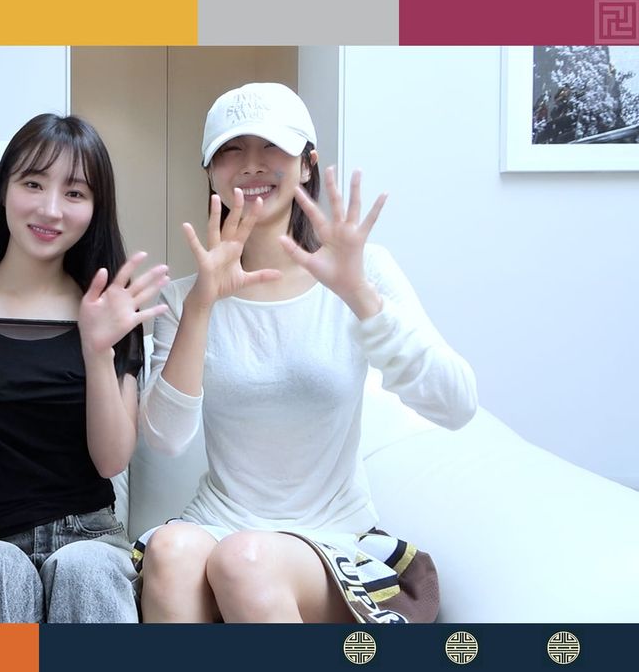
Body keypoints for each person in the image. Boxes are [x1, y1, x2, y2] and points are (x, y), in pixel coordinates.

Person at [134, 83, 477, 623]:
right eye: (230, 150)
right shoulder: (183, 297)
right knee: (173, 550)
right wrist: (202, 303)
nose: (251, 166)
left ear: (308, 165)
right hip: (220, 520)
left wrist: (360, 296)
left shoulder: (360, 270)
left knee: (244, 559)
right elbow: (165, 440)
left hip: (333, 535)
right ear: (210, 174)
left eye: (271, 148)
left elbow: (457, 404)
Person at [0, 113, 170, 623]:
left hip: (92, 538)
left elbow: (110, 461)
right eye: (33, 183)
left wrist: (98, 350)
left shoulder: (110, 310)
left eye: (75, 193)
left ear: (95, 208)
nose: (50, 209)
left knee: (86, 569)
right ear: (4, 190)